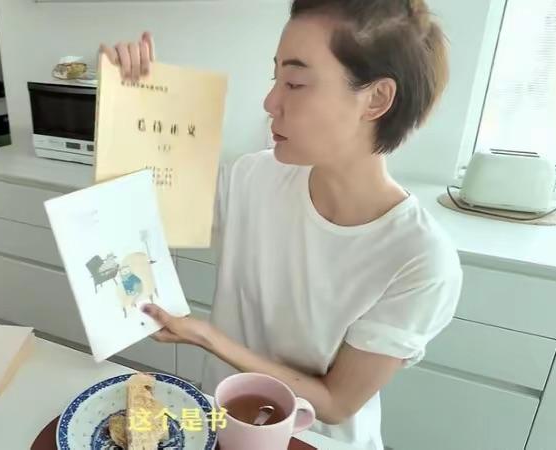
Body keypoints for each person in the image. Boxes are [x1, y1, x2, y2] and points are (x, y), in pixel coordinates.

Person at [100, 1, 462, 448]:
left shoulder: (420, 259)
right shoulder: (253, 177)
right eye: (276, 78)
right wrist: (130, 109)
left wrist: (209, 338)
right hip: (221, 426)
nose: (270, 102)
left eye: (295, 83)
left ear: (376, 99)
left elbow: (335, 403)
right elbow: (132, 220)